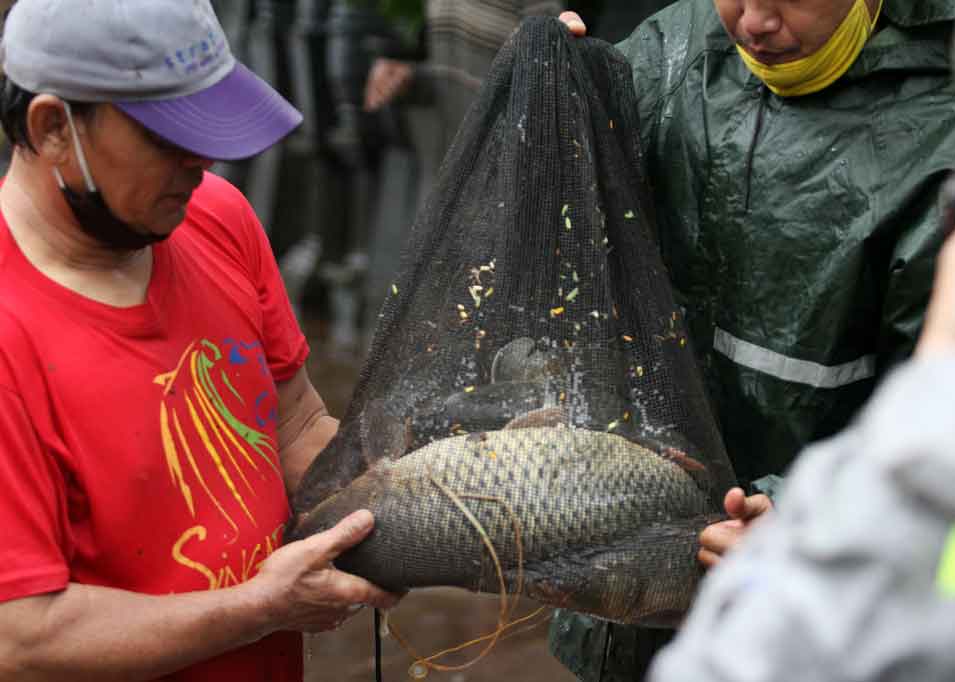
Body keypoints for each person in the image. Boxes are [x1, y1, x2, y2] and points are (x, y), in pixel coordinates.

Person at [549, 1, 955, 680]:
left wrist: (805, 509)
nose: (754, 23)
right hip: (639, 572)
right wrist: (558, 101)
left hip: (826, 593)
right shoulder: (674, 49)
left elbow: (952, 407)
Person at [0, 1, 399, 680]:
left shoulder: (214, 216)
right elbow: (22, 637)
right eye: (167, 136)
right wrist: (261, 608)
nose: (204, 158)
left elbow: (297, 426)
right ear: (53, 128)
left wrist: (434, 510)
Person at [364, 0, 564, 160]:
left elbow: (552, 81)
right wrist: (408, 79)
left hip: (504, 178)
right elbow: (451, 78)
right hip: (449, 172)